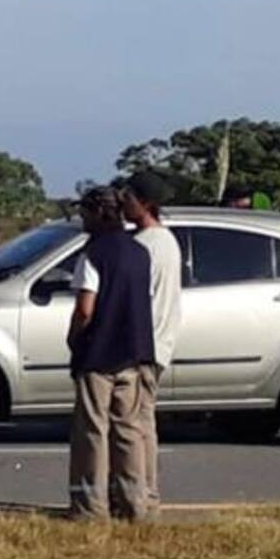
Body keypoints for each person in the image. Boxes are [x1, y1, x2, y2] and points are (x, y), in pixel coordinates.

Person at [66, 186, 155, 521]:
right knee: (129, 430)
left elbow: (85, 309)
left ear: (98, 214)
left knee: (93, 431)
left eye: (84, 213)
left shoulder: (92, 253)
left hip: (98, 355)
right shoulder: (139, 252)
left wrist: (75, 339)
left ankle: (91, 506)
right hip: (133, 353)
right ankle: (135, 505)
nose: (82, 220)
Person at [119, 171, 182, 516]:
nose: (124, 205)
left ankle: (143, 497)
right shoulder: (164, 242)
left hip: (144, 346)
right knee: (142, 423)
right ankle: (145, 493)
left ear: (146, 204)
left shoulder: (147, 246)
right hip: (156, 344)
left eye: (129, 199)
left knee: (136, 426)